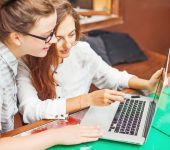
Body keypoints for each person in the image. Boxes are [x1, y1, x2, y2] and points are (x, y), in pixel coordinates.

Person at [17, 0, 163, 124]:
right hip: (48, 133)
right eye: (58, 38)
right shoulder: (26, 62)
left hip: (83, 125)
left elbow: (112, 76)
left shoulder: (82, 50)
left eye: (71, 34)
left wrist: (147, 84)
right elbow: (30, 111)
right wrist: (86, 100)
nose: (68, 45)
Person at [0, 0, 103, 149]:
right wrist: (58, 136)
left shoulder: (10, 61)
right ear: (17, 38)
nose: (54, 40)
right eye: (47, 35)